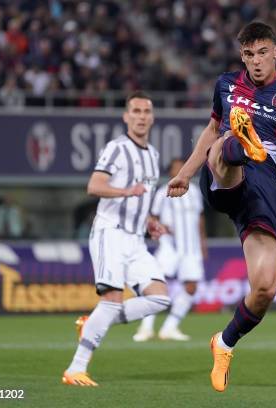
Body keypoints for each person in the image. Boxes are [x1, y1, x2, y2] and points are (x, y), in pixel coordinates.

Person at [166, 22, 276, 392]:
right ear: (242, 56)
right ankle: (242, 142)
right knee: (224, 147)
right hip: (227, 168)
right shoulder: (227, 84)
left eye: (262, 52)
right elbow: (209, 131)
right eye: (248, 54)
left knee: (265, 288)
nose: (256, 61)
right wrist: (185, 173)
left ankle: (225, 342)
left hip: (263, 184)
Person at [62, 91, 170, 386]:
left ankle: (94, 323)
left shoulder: (154, 156)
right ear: (126, 117)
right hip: (110, 233)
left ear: (152, 117)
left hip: (135, 240)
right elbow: (94, 185)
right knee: (111, 301)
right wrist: (126, 191)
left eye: (146, 111)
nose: (141, 116)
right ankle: (75, 368)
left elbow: (141, 198)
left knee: (160, 298)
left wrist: (150, 222)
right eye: (135, 111)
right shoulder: (117, 148)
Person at [133, 158, 208, 342]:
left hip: (191, 248)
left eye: (183, 167)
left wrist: (202, 244)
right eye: (176, 168)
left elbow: (200, 219)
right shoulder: (162, 192)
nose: (180, 170)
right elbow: (151, 218)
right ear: (170, 172)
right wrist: (160, 229)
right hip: (169, 246)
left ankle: (170, 327)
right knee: (157, 284)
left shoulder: (195, 191)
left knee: (191, 287)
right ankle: (146, 327)